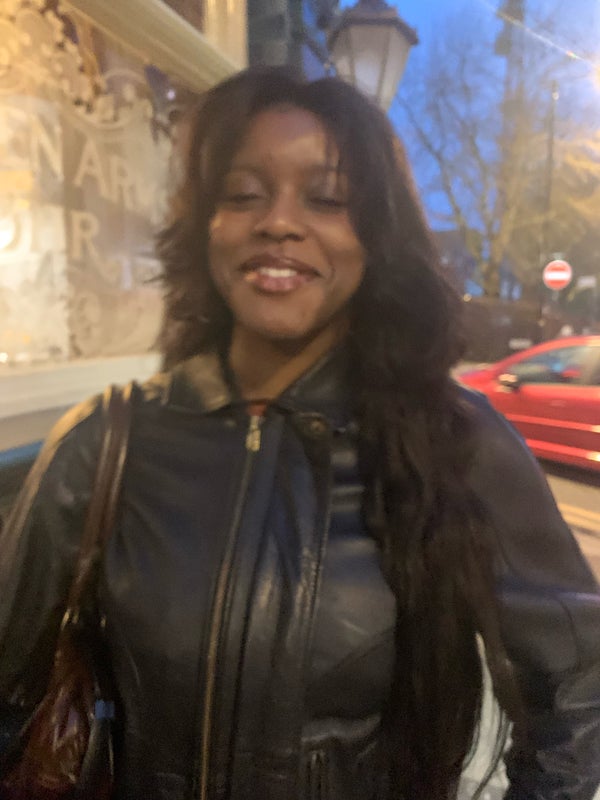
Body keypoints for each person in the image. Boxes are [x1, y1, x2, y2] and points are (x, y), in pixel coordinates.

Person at [1, 66, 599, 800]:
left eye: (327, 199)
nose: (279, 221)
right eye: (243, 194)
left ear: (375, 237)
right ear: (205, 227)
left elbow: (579, 690)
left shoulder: (455, 446)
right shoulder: (105, 445)